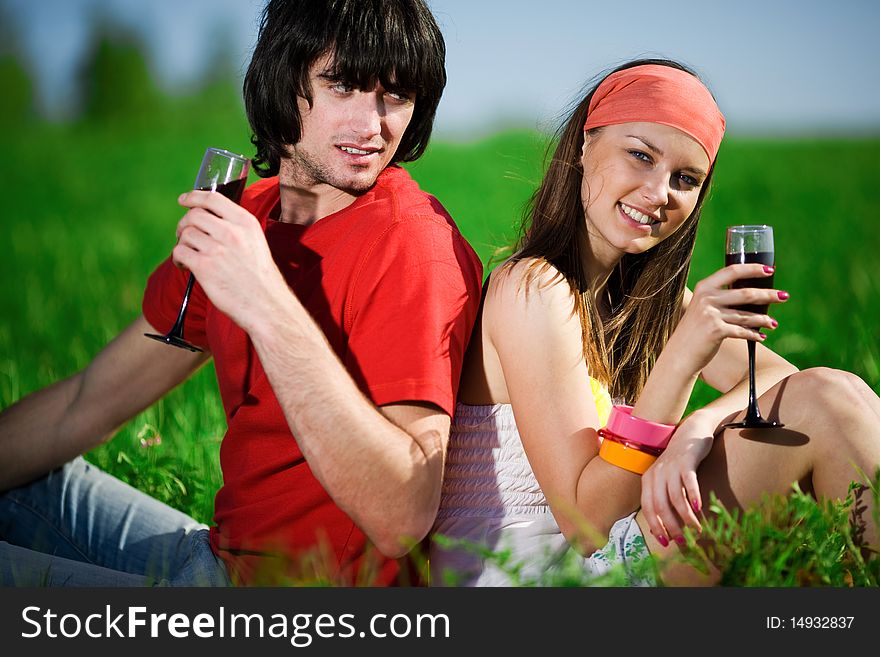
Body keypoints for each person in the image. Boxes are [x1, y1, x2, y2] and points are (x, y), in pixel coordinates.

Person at [0, 0, 483, 587]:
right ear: (283, 80)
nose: (372, 124)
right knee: (27, 482)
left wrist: (263, 298)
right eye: (343, 86)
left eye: (396, 96)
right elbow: (86, 404)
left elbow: (402, 514)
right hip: (214, 561)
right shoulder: (244, 217)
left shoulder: (414, 248)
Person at [429, 59, 880, 587]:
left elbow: (777, 376)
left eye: (685, 178)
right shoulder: (534, 288)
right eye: (640, 155)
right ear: (583, 146)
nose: (659, 191)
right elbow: (586, 523)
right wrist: (684, 356)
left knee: (831, 396)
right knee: (828, 402)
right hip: (540, 573)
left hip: (618, 552)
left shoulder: (645, 299)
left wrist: (699, 427)